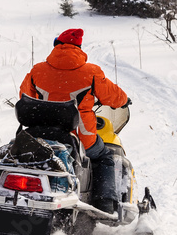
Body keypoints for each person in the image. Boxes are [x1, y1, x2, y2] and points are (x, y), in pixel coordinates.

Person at [19, 28, 130, 214]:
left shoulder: (37, 70)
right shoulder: (91, 72)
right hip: (79, 137)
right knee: (105, 157)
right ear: (79, 47)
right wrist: (124, 100)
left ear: (56, 46)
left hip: (39, 135)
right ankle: (105, 204)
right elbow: (114, 97)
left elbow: (24, 97)